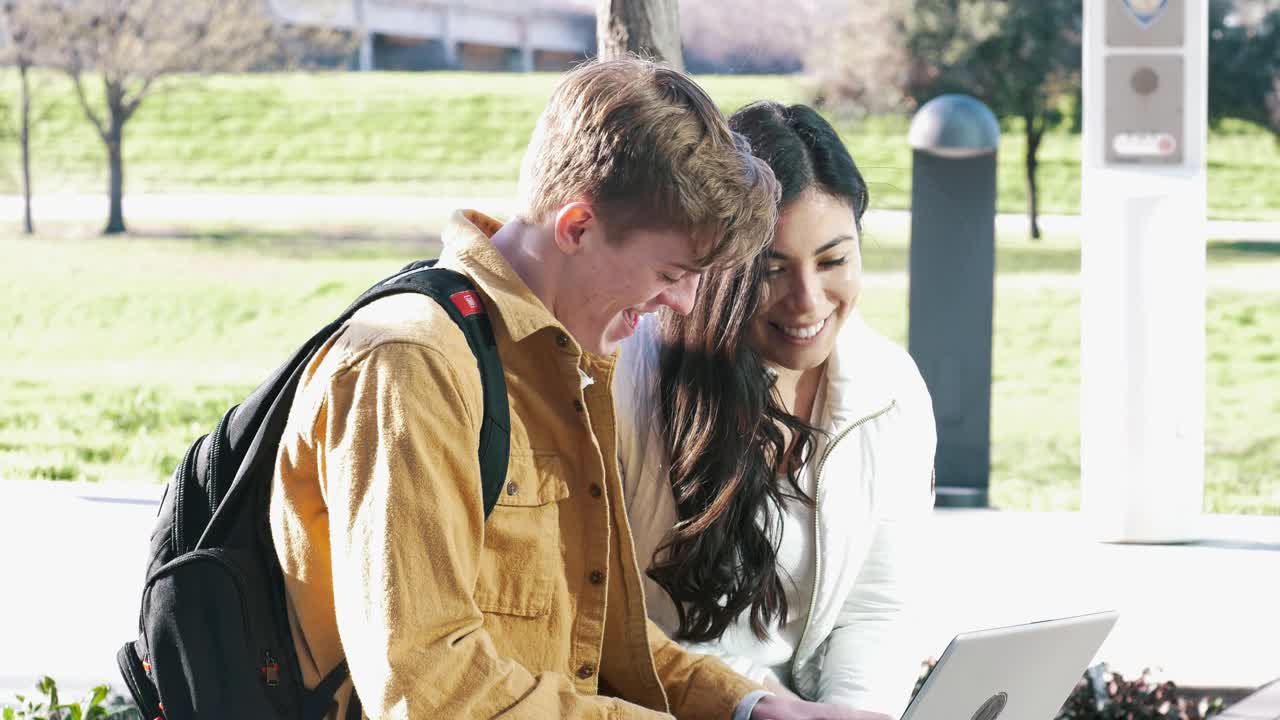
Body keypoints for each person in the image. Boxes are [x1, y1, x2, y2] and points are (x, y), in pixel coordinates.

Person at [269, 60, 865, 719]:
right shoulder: (412, 365)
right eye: (672, 270)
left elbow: (605, 639)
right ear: (577, 227)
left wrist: (753, 708)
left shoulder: (564, 362)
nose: (685, 300)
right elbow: (431, 691)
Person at [615, 101, 938, 720]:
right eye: (772, 268)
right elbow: (611, 621)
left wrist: (853, 713)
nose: (807, 301)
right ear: (720, 263)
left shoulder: (890, 388)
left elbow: (878, 606)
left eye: (833, 260)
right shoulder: (634, 377)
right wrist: (765, 709)